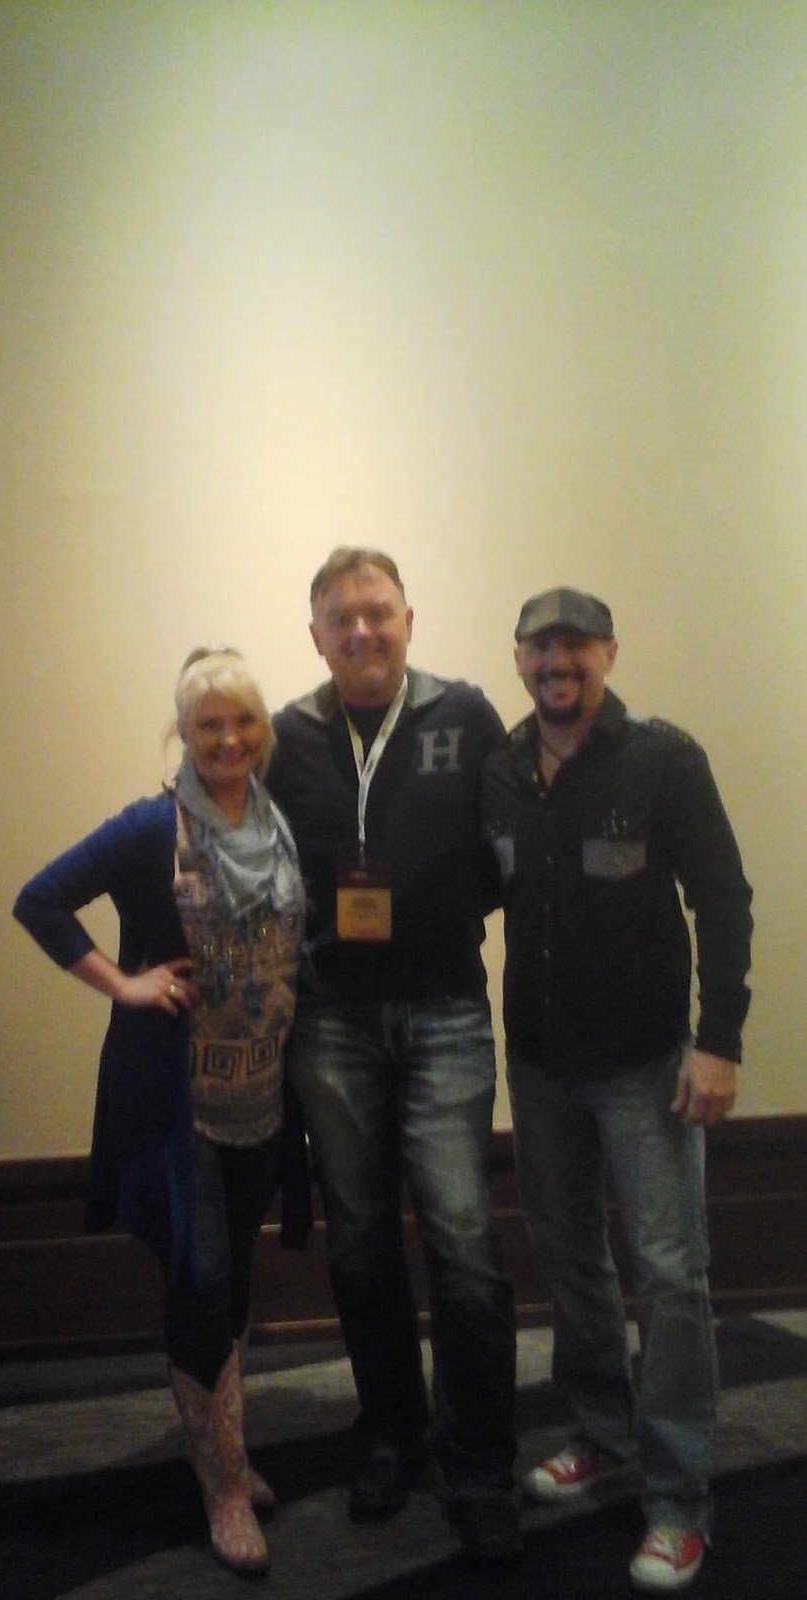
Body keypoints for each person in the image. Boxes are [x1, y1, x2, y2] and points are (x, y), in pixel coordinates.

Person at [481, 587, 753, 1594]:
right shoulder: (501, 771)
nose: (558, 664)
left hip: (646, 1065)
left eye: (577, 647)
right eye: (540, 649)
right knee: (570, 1257)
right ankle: (601, 1432)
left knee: (672, 1277)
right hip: (541, 1064)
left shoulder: (663, 759)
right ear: (518, 658)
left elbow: (723, 898)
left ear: (609, 653)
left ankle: (679, 1500)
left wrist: (718, 1042)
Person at [13, 648, 306, 1577]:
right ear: (183, 733)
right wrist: (125, 985)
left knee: (236, 1279)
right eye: (208, 724)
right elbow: (40, 900)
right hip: (177, 1098)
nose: (228, 739)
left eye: (243, 722)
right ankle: (223, 1488)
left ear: (263, 732)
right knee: (199, 1274)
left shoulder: (278, 821)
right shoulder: (153, 827)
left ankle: (226, 1449)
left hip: (263, 1090)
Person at [265, 546, 520, 1562]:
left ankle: (481, 1461)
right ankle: (390, 1431)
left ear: (410, 619)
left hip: (446, 1009)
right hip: (333, 1019)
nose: (363, 631)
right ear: (316, 635)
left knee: (462, 1238)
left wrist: (435, 915)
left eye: (379, 612)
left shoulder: (467, 715)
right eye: (342, 619)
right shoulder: (286, 734)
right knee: (363, 1241)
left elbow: (503, 858)